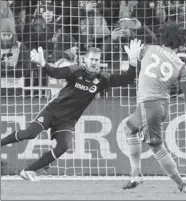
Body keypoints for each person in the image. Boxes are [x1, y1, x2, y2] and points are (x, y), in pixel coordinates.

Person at [1, 39, 144, 181]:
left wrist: (132, 61)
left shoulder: (102, 78)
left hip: (67, 121)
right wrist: (43, 63)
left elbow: (128, 79)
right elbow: (55, 73)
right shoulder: (75, 70)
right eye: (92, 59)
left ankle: (28, 170)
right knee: (30, 133)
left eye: (97, 60)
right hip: (52, 112)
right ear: (84, 60)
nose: (94, 62)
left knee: (64, 146)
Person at [122, 22, 186, 192]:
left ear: (163, 36)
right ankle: (135, 174)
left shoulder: (149, 49)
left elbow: (135, 50)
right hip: (160, 106)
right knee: (129, 128)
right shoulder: (181, 67)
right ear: (180, 43)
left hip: (149, 105)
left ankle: (183, 185)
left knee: (157, 148)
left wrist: (133, 54)